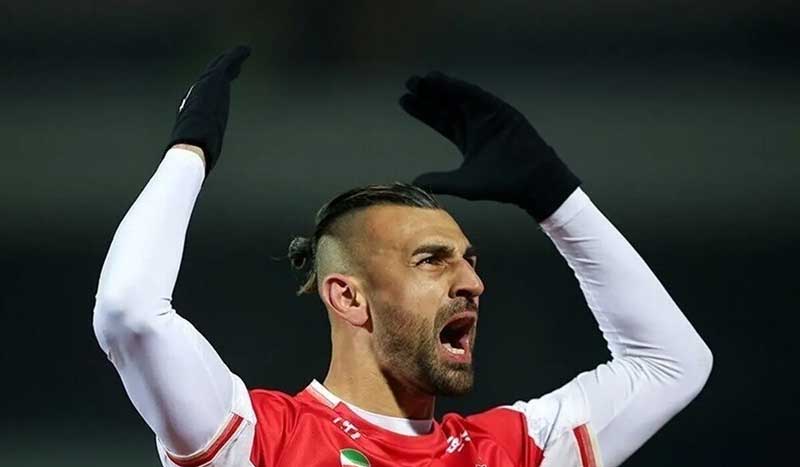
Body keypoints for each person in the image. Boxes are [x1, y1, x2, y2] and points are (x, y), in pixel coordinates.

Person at [93, 46, 713, 467]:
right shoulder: (259, 441)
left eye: (470, 260)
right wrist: (189, 152)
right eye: (432, 260)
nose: (472, 283)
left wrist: (556, 198)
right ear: (348, 296)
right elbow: (129, 312)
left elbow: (673, 365)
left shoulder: (509, 451)